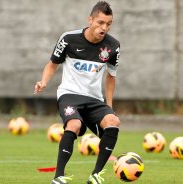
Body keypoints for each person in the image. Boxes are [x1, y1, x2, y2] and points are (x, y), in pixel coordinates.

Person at [34, 1, 120, 184]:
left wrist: (109, 106)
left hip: (95, 99)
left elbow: (111, 77)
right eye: (100, 22)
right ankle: (59, 177)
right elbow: (52, 64)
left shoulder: (113, 46)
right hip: (69, 95)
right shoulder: (68, 39)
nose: (104, 27)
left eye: (108, 24)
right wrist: (44, 82)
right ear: (90, 20)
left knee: (113, 122)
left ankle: (95, 175)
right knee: (73, 124)